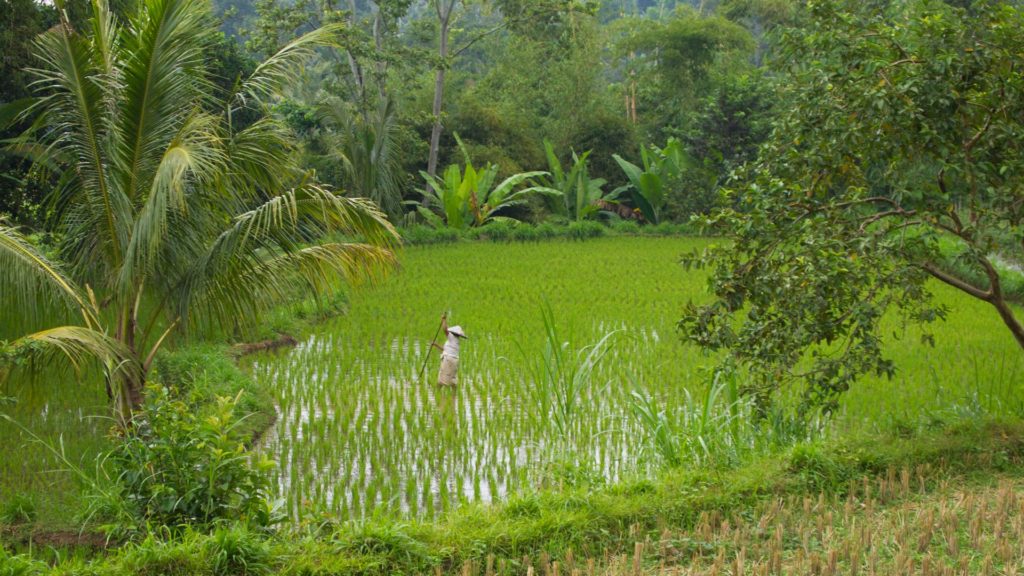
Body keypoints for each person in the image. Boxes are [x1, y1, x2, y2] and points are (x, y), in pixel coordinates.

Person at [432, 314, 467, 386]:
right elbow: (445, 350)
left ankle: (436, 395)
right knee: (452, 379)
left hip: (448, 360)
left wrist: (444, 320)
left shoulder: (452, 337)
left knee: (441, 381)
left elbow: (445, 329)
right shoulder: (456, 341)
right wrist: (436, 345)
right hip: (454, 360)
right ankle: (453, 396)